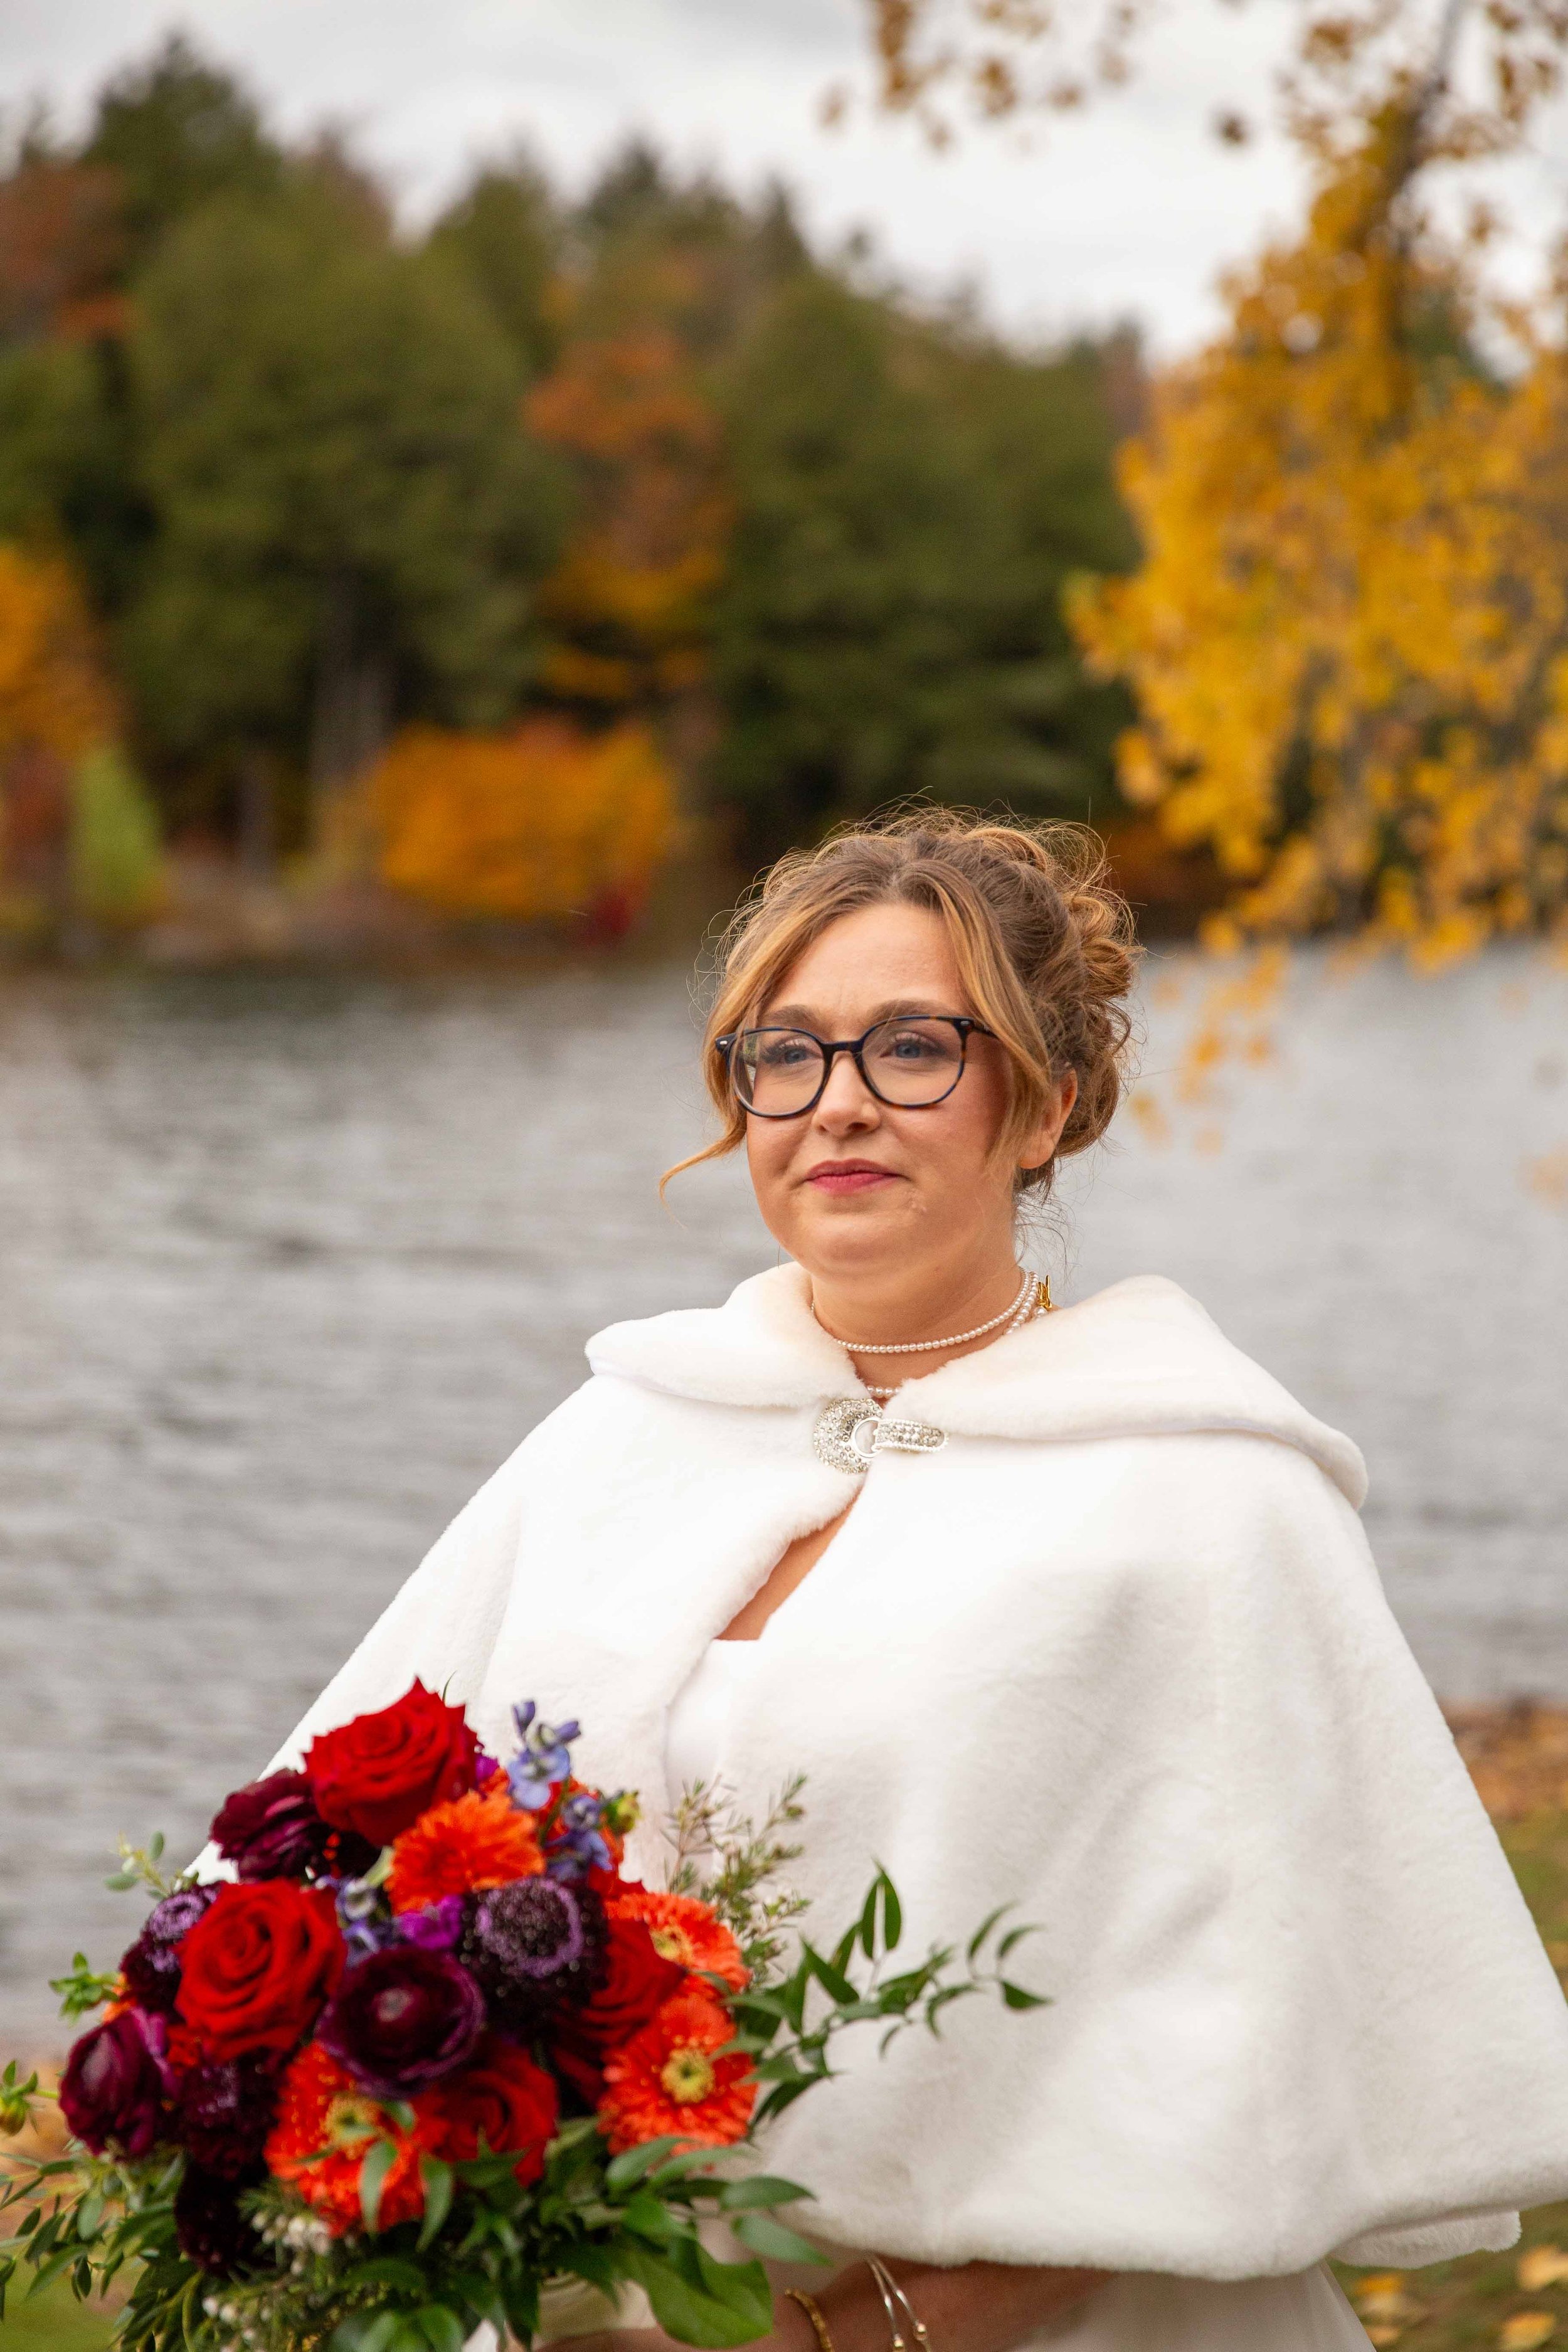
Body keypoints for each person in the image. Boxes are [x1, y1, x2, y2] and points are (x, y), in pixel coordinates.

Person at [258, 810, 1568, 2352]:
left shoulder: (1205, 1501)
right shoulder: (623, 1433)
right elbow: (349, 1862)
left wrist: (831, 2339)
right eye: (787, 1054)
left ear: (1044, 1109)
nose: (838, 1107)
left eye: (913, 1049)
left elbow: (1206, 2072)